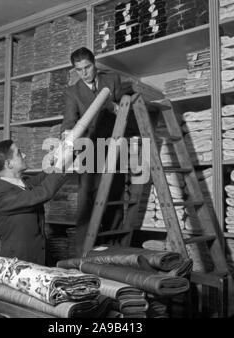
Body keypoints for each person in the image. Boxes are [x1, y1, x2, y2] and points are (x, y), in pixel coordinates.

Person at [61, 47, 134, 257]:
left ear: (95, 64)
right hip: (89, 149)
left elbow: (123, 104)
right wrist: (67, 139)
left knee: (114, 197)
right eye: (79, 70)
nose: (84, 73)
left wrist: (117, 105)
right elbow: (68, 122)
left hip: (114, 145)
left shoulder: (111, 79)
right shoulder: (72, 92)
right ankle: (83, 254)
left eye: (87, 67)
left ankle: (115, 251)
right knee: (86, 200)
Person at [0, 139, 67, 265]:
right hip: (18, 264)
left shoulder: (24, 183)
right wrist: (61, 163)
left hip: (38, 259)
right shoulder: (0, 194)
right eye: (19, 153)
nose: (24, 155)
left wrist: (61, 156)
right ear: (9, 164)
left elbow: (45, 177)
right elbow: (42, 193)